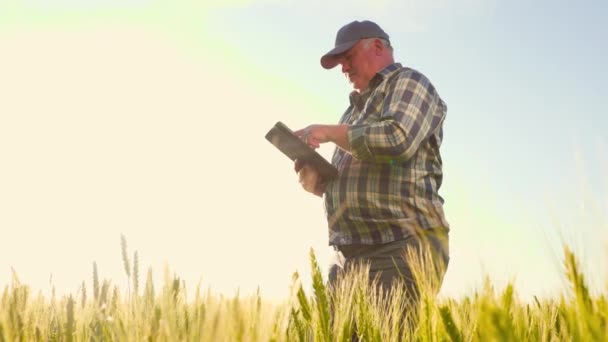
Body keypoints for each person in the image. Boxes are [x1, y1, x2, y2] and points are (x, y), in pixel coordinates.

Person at [294, 20, 450, 310]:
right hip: (347, 256)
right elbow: (358, 183)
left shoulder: (410, 83)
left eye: (348, 57)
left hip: (402, 246)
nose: (344, 68)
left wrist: (328, 132)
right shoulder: (351, 113)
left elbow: (397, 139)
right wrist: (320, 185)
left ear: (377, 46)